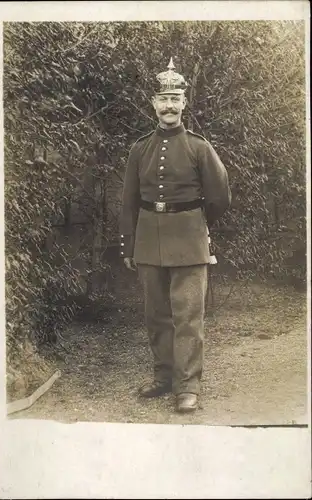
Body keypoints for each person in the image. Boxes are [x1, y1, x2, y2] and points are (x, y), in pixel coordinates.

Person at [119, 57, 231, 413]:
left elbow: (219, 197)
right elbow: (128, 201)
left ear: (184, 103)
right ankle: (163, 377)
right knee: (156, 315)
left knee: (187, 316)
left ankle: (188, 386)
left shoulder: (199, 147)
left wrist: (195, 224)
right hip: (149, 240)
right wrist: (130, 244)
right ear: (153, 104)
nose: (169, 105)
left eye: (175, 98)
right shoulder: (140, 149)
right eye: (162, 99)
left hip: (189, 240)